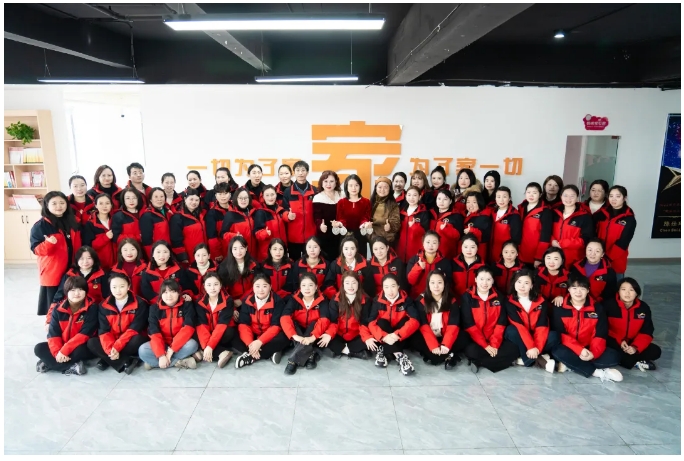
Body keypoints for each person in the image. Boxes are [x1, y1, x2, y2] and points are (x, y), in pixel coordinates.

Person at [550, 273, 623, 382]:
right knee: (557, 351)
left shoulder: (597, 308)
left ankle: (571, 364)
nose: (578, 292)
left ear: (588, 290)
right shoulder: (560, 308)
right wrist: (579, 350)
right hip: (569, 348)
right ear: (568, 289)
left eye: (582, 288)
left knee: (613, 356)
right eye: (574, 288)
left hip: (590, 347)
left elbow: (600, 334)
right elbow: (562, 334)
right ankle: (597, 372)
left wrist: (593, 353)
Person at [30, 191, 82, 316]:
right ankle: (52, 322)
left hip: (72, 266)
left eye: (62, 203)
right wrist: (48, 243)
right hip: (53, 269)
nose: (59, 206)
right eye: (54, 203)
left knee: (71, 295)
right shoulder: (40, 226)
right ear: (46, 205)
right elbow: (36, 249)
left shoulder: (73, 221)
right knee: (53, 301)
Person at [87, 273, 149, 374]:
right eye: (114, 287)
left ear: (128, 286)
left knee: (138, 339)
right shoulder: (103, 305)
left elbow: (135, 328)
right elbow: (104, 331)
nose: (118, 290)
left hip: (130, 340)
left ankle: (106, 360)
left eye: (122, 286)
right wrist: (109, 349)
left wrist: (117, 347)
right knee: (92, 342)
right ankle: (125, 361)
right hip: (112, 340)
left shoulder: (140, 303)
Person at [34, 276, 97, 375]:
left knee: (81, 350)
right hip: (63, 344)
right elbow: (53, 334)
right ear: (66, 292)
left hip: (80, 345)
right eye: (73, 290)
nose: (77, 293)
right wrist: (57, 353)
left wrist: (64, 351)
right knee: (39, 348)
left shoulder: (92, 308)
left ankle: (50, 363)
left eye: (81, 290)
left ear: (86, 291)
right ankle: (70, 366)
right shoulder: (58, 309)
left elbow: (84, 334)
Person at [461, 266, 518, 373]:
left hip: (494, 339)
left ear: (493, 281)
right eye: (481, 279)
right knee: (471, 351)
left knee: (513, 349)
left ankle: (480, 362)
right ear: (476, 279)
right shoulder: (467, 297)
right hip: (476, 340)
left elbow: (501, 324)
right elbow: (469, 325)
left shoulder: (499, 297)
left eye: (488, 279)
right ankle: (497, 360)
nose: (485, 283)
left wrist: (494, 345)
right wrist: (485, 346)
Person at [504, 269, 560, 373]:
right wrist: (530, 347)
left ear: (531, 285)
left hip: (536, 336)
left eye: (526, 283)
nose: (522, 286)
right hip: (519, 336)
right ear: (514, 284)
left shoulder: (541, 300)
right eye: (519, 282)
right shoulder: (509, 301)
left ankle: (524, 359)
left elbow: (542, 326)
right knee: (511, 330)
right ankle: (539, 360)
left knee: (554, 336)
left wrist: (536, 348)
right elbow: (519, 326)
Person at [411, 270, 469, 369]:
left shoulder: (452, 301)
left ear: (444, 284)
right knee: (414, 338)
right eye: (432, 283)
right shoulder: (421, 300)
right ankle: (450, 355)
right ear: (428, 284)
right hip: (428, 335)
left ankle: (443, 354)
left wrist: (446, 344)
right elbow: (424, 325)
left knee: (464, 337)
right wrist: (433, 345)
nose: (436, 286)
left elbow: (453, 325)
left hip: (445, 335)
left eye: (439, 282)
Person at [139, 279, 199, 370]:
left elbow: (188, 329)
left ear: (178, 293)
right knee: (142, 350)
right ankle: (178, 362)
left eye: (172, 291)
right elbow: (154, 332)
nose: (169, 295)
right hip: (162, 344)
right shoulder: (154, 309)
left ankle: (154, 363)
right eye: (165, 292)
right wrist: (161, 355)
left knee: (192, 345)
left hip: (180, 344)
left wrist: (171, 351)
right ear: (161, 294)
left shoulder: (186, 305)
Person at [234, 272, 289, 368]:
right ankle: (268, 352)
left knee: (285, 336)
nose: (261, 290)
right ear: (253, 287)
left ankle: (250, 357)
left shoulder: (278, 301)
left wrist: (260, 342)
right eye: (257, 286)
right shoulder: (247, 301)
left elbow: (275, 327)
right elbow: (244, 325)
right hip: (253, 334)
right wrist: (250, 344)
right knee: (233, 333)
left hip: (270, 335)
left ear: (270, 287)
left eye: (264, 286)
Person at [605, 278, 661, 371]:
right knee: (608, 351)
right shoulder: (608, 306)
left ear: (637, 293)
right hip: (614, 342)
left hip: (632, 342)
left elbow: (647, 331)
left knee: (656, 351)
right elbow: (602, 329)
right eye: (623, 289)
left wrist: (635, 347)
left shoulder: (643, 308)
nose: (627, 293)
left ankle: (628, 359)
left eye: (631, 290)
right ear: (618, 291)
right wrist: (619, 341)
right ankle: (634, 361)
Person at [368, 274, 419, 376]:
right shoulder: (377, 300)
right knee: (381, 322)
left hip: (400, 335)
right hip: (385, 334)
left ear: (398, 286)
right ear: (382, 288)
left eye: (393, 286)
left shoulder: (406, 300)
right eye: (386, 287)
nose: (390, 291)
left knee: (406, 321)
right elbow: (371, 322)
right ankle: (400, 356)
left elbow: (415, 320)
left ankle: (383, 349)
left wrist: (398, 335)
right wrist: (384, 337)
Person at [47, 246, 109, 328]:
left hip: (94, 311)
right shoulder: (69, 275)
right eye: (82, 258)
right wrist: (49, 320)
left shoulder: (102, 275)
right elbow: (59, 297)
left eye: (89, 258)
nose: (85, 261)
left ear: (94, 259)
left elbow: (107, 298)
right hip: (72, 311)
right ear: (77, 260)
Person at [281, 273, 329, 375]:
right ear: (300, 287)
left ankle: (293, 361)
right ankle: (311, 354)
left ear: (316, 287)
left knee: (315, 322)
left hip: (314, 332)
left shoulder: (323, 300)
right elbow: (284, 317)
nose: (307, 288)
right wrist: (295, 336)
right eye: (303, 285)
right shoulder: (294, 299)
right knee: (292, 322)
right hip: (298, 331)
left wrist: (312, 337)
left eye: (310, 285)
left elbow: (324, 320)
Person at [320, 271, 374, 359]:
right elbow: (333, 322)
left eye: (354, 283)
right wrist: (329, 334)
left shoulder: (365, 300)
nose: (350, 286)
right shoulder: (335, 299)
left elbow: (364, 323)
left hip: (357, 334)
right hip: (339, 334)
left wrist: (367, 337)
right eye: (347, 283)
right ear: (343, 284)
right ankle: (352, 352)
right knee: (325, 338)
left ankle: (341, 350)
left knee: (371, 340)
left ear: (358, 284)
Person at [195, 272, 236, 369]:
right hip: (208, 333)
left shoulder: (228, 301)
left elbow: (221, 326)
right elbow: (202, 326)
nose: (212, 288)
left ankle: (204, 352)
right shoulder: (199, 302)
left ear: (220, 285)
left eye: (216, 284)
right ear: (204, 286)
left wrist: (210, 346)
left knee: (229, 331)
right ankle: (222, 353)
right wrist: (207, 346)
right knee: (195, 331)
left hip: (222, 334)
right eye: (209, 285)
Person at [594, 185, 637, 278]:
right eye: (611, 196)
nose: (614, 199)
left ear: (624, 198)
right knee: (598, 283)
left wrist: (607, 258)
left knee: (616, 283)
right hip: (597, 256)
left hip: (616, 259)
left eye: (618, 196)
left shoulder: (629, 218)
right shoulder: (601, 213)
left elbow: (623, 242)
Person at [551, 185, 594, 269]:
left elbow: (585, 239)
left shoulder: (584, 217)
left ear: (577, 198)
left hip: (574, 259)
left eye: (572, 196)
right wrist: (552, 241)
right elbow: (546, 231)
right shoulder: (554, 213)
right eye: (565, 195)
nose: (568, 199)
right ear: (561, 196)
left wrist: (562, 243)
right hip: (553, 256)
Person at [282, 160, 317, 260]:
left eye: (303, 170)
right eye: (298, 170)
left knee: (310, 261)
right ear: (294, 173)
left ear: (307, 172)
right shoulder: (288, 191)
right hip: (293, 236)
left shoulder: (314, 191)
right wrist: (288, 216)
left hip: (311, 236)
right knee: (294, 263)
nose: (300, 173)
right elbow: (283, 210)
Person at [322, 235, 371, 299]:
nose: (349, 252)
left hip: (360, 299)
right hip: (340, 299)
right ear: (342, 250)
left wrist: (359, 298)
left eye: (352, 248)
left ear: (356, 249)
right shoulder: (335, 265)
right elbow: (328, 285)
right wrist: (338, 298)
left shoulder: (365, 265)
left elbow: (369, 287)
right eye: (346, 249)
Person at [406, 231, 453, 299]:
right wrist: (418, 267)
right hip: (418, 297)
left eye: (434, 243)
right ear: (423, 243)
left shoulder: (444, 262)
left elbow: (448, 283)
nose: (431, 245)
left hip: (437, 298)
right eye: (428, 242)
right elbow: (411, 281)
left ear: (438, 244)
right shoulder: (414, 259)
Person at [517, 182, 552, 268]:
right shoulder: (521, 208)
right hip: (520, 251)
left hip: (534, 254)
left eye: (534, 193)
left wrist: (539, 257)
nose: (531, 195)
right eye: (528, 192)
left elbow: (545, 236)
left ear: (540, 194)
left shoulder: (545, 211)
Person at [336, 174, 372, 257]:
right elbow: (340, 218)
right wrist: (340, 223)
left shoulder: (366, 202)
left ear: (360, 186)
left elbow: (366, 217)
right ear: (346, 187)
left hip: (360, 235)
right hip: (345, 235)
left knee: (361, 259)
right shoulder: (341, 202)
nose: (354, 188)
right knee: (346, 259)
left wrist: (364, 224)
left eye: (356, 185)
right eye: (351, 185)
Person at [570, 238, 617, 303]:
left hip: (599, 305)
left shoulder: (609, 272)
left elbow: (610, 296)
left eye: (597, 251)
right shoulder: (575, 267)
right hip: (577, 303)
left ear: (602, 254)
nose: (592, 254)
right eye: (590, 250)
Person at [217, 236, 258, 308]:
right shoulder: (224, 267)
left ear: (246, 248)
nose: (238, 252)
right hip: (231, 303)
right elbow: (222, 289)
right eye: (235, 249)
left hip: (251, 299)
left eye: (241, 248)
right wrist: (231, 304)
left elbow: (257, 285)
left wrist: (242, 300)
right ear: (231, 250)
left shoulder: (254, 264)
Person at [170, 187, 207, 265]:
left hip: (202, 253)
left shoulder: (201, 214)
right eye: (191, 199)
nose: (194, 202)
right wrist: (183, 257)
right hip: (189, 256)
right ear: (185, 199)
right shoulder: (177, 217)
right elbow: (176, 240)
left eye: (197, 200)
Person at [312, 170, 343, 260]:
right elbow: (317, 217)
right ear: (321, 183)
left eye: (331, 181)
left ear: (336, 182)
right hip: (324, 234)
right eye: (325, 181)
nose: (328, 184)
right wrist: (320, 226)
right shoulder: (318, 197)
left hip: (340, 234)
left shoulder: (342, 195)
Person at [81, 193, 117, 271]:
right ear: (96, 205)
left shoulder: (116, 220)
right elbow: (88, 247)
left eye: (107, 203)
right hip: (100, 265)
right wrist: (105, 238)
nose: (104, 206)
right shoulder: (90, 224)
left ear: (111, 205)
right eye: (101, 203)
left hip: (117, 264)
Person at [254, 185, 289, 261]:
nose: (270, 197)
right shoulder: (260, 212)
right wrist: (265, 233)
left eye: (272, 194)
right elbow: (257, 233)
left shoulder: (280, 210)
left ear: (276, 194)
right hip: (267, 253)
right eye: (267, 195)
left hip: (281, 250)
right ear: (263, 197)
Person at [397, 186, 431, 263]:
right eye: (409, 195)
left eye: (415, 195)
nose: (411, 198)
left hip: (415, 251)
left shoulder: (423, 213)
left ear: (419, 197)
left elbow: (425, 233)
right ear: (406, 196)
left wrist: (414, 226)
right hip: (400, 250)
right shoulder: (400, 211)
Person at [361, 177, 401, 244]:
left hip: (386, 239)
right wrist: (366, 224)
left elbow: (396, 223)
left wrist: (390, 226)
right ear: (376, 188)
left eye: (385, 187)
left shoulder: (393, 205)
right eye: (380, 187)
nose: (382, 190)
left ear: (389, 189)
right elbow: (364, 218)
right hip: (372, 238)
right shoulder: (370, 203)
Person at [488, 186, 522, 264]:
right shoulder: (492, 212)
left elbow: (516, 238)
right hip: (491, 251)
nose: (501, 200)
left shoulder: (514, 215)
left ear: (509, 198)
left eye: (504, 197)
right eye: (498, 197)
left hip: (505, 254)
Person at [220, 187, 257, 256]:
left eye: (245, 198)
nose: (243, 200)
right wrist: (234, 236)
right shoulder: (230, 214)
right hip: (238, 253)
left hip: (253, 253)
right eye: (240, 198)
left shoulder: (253, 213)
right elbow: (223, 234)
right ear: (236, 199)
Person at [429, 189, 463, 261]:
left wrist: (446, 229)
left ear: (450, 201)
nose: (441, 201)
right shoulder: (431, 213)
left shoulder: (456, 216)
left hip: (447, 253)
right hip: (431, 250)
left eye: (445, 199)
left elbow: (458, 236)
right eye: (439, 199)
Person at [140, 187, 172, 259]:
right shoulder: (147, 216)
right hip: (158, 253)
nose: (159, 199)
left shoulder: (169, 213)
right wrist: (152, 257)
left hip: (169, 250)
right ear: (150, 199)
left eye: (161, 196)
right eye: (156, 197)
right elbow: (146, 240)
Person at [205, 182, 233, 262]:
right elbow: (212, 236)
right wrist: (216, 253)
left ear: (230, 194)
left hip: (237, 248)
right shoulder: (212, 213)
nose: (223, 196)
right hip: (222, 251)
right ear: (216, 196)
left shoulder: (236, 208)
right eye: (220, 194)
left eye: (225, 193)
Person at [463, 191, 492, 261]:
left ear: (480, 203)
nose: (470, 205)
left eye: (474, 202)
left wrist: (471, 230)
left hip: (478, 251)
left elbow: (484, 236)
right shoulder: (467, 214)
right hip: (467, 250)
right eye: (468, 202)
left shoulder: (484, 217)